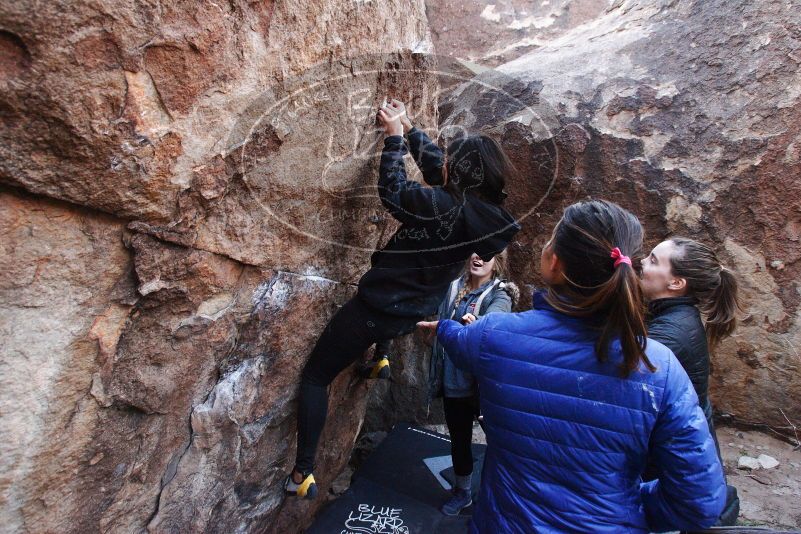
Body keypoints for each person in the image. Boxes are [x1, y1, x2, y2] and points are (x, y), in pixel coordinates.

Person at [418, 200, 726, 533]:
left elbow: (461, 339)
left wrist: (442, 330)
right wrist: (625, 506)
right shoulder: (659, 366)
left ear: (554, 262)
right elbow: (699, 501)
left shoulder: (494, 336)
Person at [285, 99, 521, 499]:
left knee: (315, 377)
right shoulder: (490, 217)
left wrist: (393, 140)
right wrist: (409, 128)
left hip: (378, 309)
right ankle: (381, 358)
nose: (442, 162)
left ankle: (302, 473)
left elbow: (394, 192)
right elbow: (440, 174)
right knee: (391, 316)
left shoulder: (443, 207)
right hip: (413, 308)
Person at [640, 236, 742, 524]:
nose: (641, 263)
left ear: (676, 284)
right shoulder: (677, 317)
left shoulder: (669, 336)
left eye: (653, 260)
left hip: (668, 465)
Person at [427, 249, 518, 516]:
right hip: (454, 380)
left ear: (498, 261)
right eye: (476, 252)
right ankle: (463, 492)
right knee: (459, 439)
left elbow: (497, 319)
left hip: (485, 387)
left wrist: (480, 325)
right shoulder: (454, 287)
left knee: (501, 441)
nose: (479, 258)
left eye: (488, 254)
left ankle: (506, 494)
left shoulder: (500, 293)